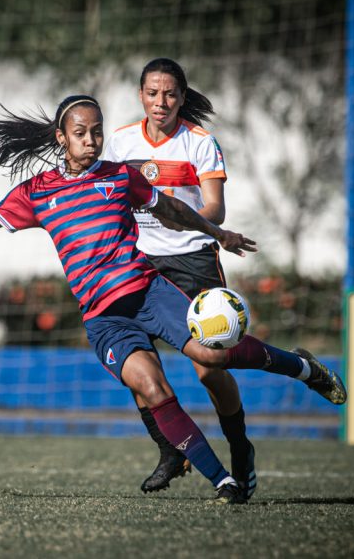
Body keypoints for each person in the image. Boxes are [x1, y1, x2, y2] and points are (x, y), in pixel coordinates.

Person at [0, 95, 347, 504]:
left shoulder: (119, 177)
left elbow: (170, 209)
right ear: (61, 137)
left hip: (149, 293)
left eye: (97, 131)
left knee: (213, 356)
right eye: (81, 133)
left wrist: (217, 233)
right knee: (152, 389)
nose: (92, 140)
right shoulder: (36, 193)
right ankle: (223, 482)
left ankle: (305, 369)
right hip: (104, 319)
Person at [103, 57, 253, 498]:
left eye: (169, 94)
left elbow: (215, 210)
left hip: (192, 262)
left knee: (209, 367)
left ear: (182, 97)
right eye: (152, 93)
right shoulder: (120, 141)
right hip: (136, 263)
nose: (160, 102)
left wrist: (182, 221)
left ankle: (240, 448)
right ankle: (170, 451)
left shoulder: (200, 142)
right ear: (140, 95)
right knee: (138, 366)